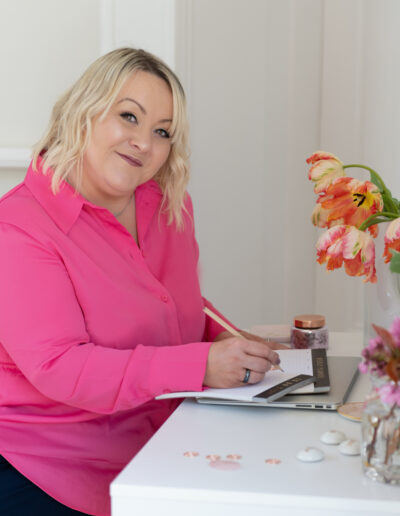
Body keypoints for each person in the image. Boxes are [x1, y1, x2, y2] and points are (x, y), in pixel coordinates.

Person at [0, 48, 282, 515]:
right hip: (51, 463)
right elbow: (59, 366)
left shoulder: (169, 204)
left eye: (162, 131)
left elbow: (170, 305)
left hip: (162, 438)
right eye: (128, 116)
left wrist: (236, 342)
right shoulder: (18, 228)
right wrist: (200, 366)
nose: (143, 143)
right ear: (83, 112)